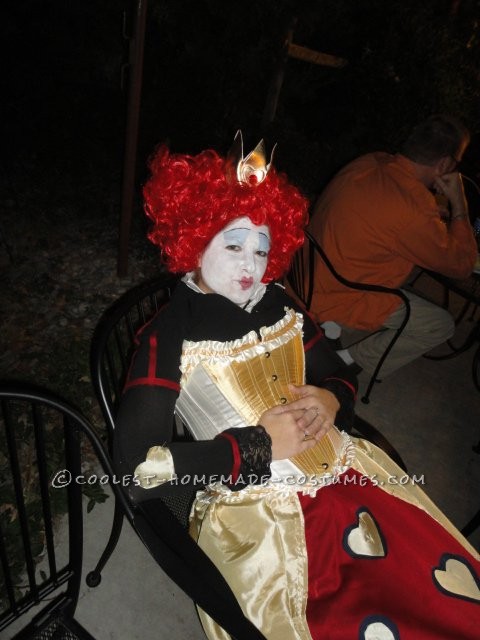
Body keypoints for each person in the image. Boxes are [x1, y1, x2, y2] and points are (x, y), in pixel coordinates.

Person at [114, 132, 480, 640]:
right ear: (194, 237)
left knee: (440, 596)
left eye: (263, 248)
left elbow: (340, 373)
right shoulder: (168, 336)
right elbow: (135, 473)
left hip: (348, 479)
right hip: (260, 518)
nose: (251, 265)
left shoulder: (278, 303)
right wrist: (259, 446)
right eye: (234, 243)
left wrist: (332, 399)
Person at [308, 114, 478, 377]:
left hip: (308, 275)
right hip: (339, 294)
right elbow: (462, 266)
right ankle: (345, 360)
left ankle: (332, 326)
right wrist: (460, 206)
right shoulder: (414, 208)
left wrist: (430, 219)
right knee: (440, 325)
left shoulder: (372, 161)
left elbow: (391, 215)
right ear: (444, 163)